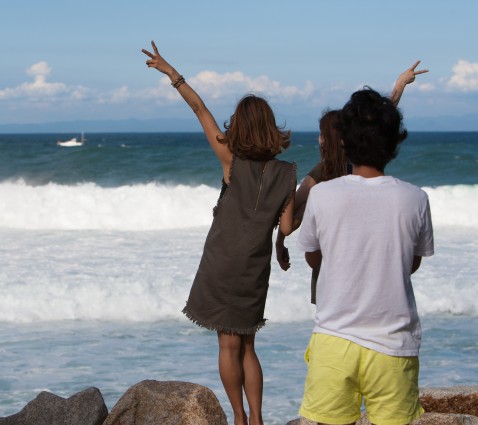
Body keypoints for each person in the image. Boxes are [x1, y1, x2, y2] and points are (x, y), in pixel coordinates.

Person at [142, 41, 296, 425]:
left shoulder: (231, 160)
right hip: (256, 267)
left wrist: (171, 73)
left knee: (227, 344)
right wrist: (279, 243)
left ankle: (240, 418)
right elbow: (288, 225)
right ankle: (259, 418)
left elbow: (200, 109)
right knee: (248, 344)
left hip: (223, 262)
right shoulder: (287, 173)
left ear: (240, 126)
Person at [296, 87, 434, 425]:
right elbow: (412, 263)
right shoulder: (415, 199)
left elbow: (313, 257)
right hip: (393, 344)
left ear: (344, 142)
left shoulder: (323, 195)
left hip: (333, 340)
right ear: (394, 145)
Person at [275, 61, 428, 304]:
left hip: (331, 274)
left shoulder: (322, 173)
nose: (319, 139)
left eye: (322, 134)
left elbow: (291, 218)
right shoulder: (358, 161)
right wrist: (400, 84)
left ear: (332, 139)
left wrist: (280, 241)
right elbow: (379, 122)